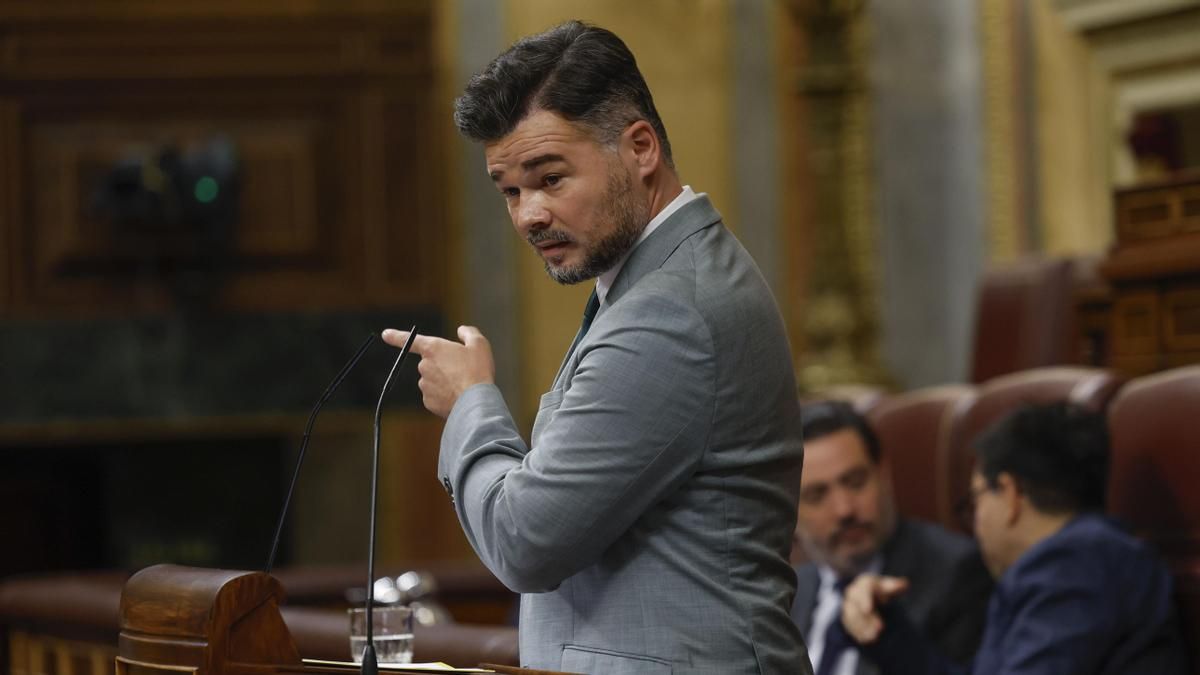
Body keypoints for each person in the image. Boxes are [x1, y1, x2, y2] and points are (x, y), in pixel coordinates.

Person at [381, 20, 808, 674]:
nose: (529, 215)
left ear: (640, 148)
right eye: (510, 191)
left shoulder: (671, 312)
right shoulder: (653, 284)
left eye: (550, 178)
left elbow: (525, 542)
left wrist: (470, 404)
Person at [841, 403, 1186, 675]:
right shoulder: (1084, 561)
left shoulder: (1077, 561)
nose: (975, 525)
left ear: (1010, 494)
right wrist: (886, 630)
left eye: (975, 501)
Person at [791, 401, 992, 675]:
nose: (844, 510)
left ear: (883, 475)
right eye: (817, 495)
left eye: (856, 482)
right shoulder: (788, 590)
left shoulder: (956, 573)